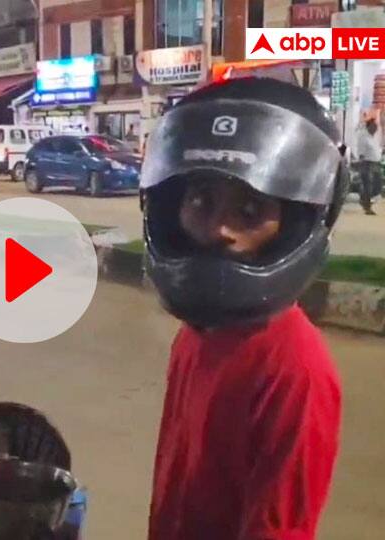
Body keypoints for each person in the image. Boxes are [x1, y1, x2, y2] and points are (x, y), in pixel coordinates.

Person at [140, 78, 347, 540]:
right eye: (201, 201)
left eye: (250, 211)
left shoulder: (295, 368)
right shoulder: (197, 333)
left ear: (295, 222)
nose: (220, 230)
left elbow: (280, 529)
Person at [356, 117, 381, 215]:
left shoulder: (374, 137)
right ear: (369, 127)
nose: (376, 128)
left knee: (377, 186)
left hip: (376, 164)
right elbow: (361, 153)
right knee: (368, 186)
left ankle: (363, 198)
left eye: (376, 126)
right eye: (374, 126)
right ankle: (367, 207)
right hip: (367, 164)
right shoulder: (363, 137)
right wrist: (361, 166)